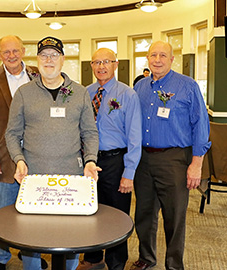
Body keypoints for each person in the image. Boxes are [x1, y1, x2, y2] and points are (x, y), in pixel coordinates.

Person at [5, 36, 100, 270]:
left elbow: (90, 133)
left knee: (70, 237)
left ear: (63, 60)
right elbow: (11, 133)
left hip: (72, 178)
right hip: (34, 178)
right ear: (37, 60)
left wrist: (90, 160)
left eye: (54, 55)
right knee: (32, 237)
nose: (49, 60)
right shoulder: (24, 93)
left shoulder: (79, 92)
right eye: (44, 55)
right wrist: (19, 160)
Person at [130, 41, 211, 270]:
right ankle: (146, 258)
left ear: (172, 58)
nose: (157, 59)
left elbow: (201, 126)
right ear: (147, 58)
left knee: (174, 217)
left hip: (174, 159)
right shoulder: (140, 87)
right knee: (144, 214)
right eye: (153, 55)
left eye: (163, 55)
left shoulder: (187, 86)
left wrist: (196, 164)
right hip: (143, 160)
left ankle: (174, 264)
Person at [0, 35, 42, 270]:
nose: (11, 55)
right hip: (1, 159)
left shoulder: (39, 74)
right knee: (1, 212)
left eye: (15, 51)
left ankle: (29, 252)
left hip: (35, 159)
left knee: (32, 211)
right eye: (6, 52)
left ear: (24, 51)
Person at [76, 49, 142, 270]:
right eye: (96, 62)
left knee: (117, 216)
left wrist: (129, 174)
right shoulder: (86, 93)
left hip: (116, 161)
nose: (101, 66)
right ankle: (93, 258)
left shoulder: (127, 95)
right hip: (89, 162)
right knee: (91, 210)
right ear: (91, 66)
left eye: (106, 61)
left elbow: (135, 138)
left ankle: (116, 263)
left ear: (116, 65)